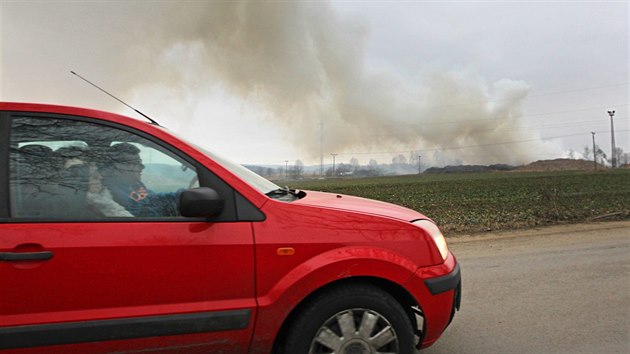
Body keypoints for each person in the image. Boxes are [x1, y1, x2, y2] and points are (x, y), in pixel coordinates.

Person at [99, 143, 180, 217]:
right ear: (117, 167)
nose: (142, 167)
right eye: (135, 163)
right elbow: (144, 215)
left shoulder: (134, 184)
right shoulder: (113, 192)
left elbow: (153, 198)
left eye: (140, 162)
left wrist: (180, 196)